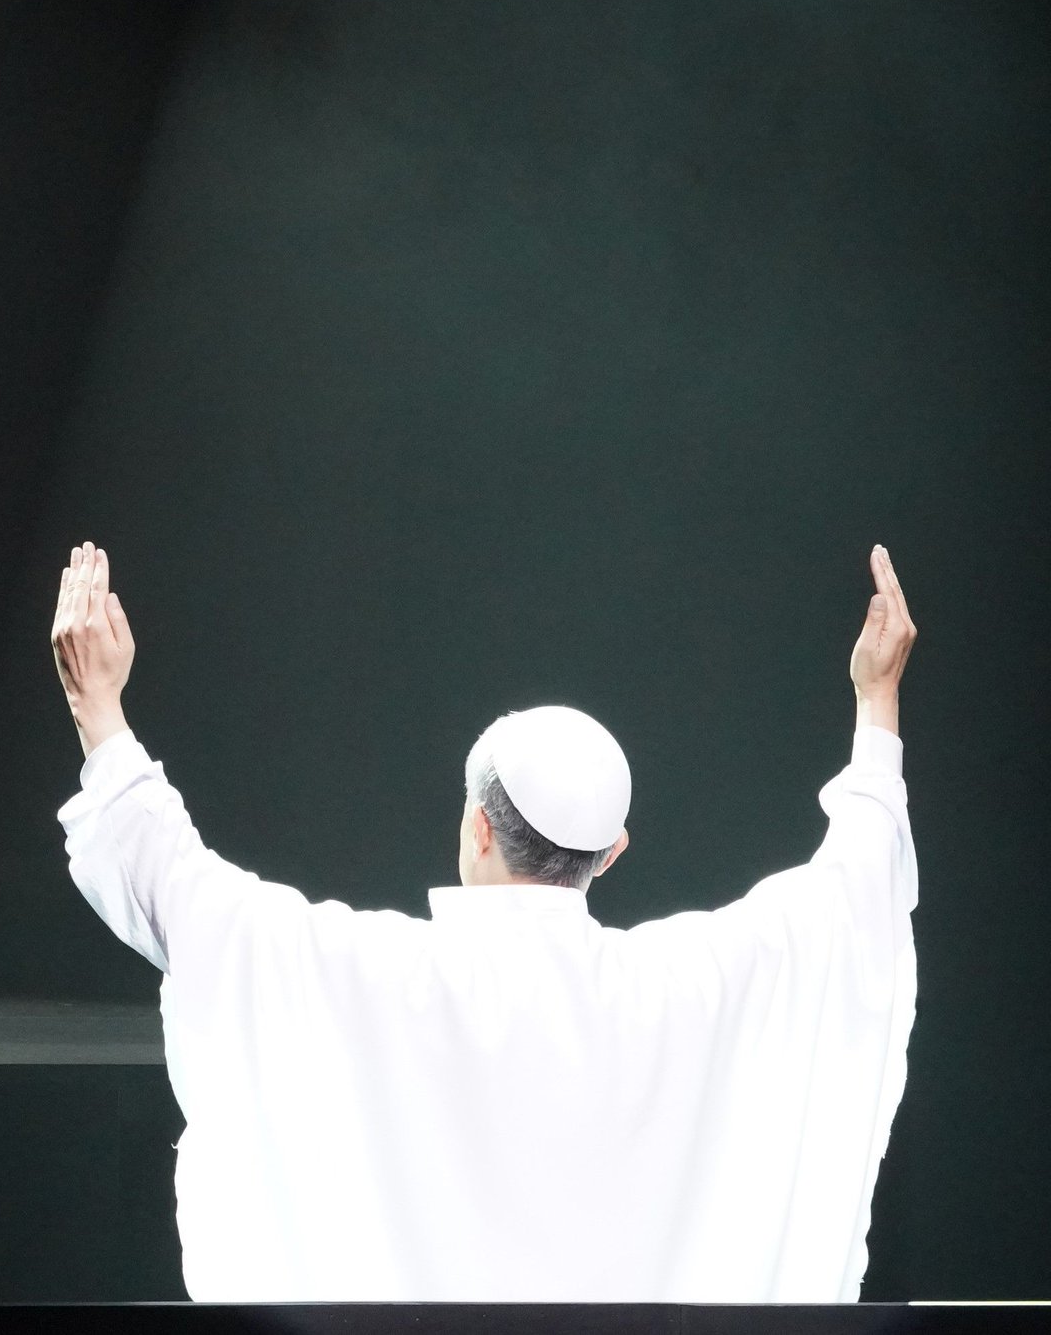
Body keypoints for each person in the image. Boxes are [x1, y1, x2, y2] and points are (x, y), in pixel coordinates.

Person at [51, 541, 917, 1301]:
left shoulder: (366, 970)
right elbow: (853, 892)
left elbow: (172, 883)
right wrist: (876, 702)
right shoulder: (687, 986)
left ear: (475, 827)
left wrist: (100, 705)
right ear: (611, 854)